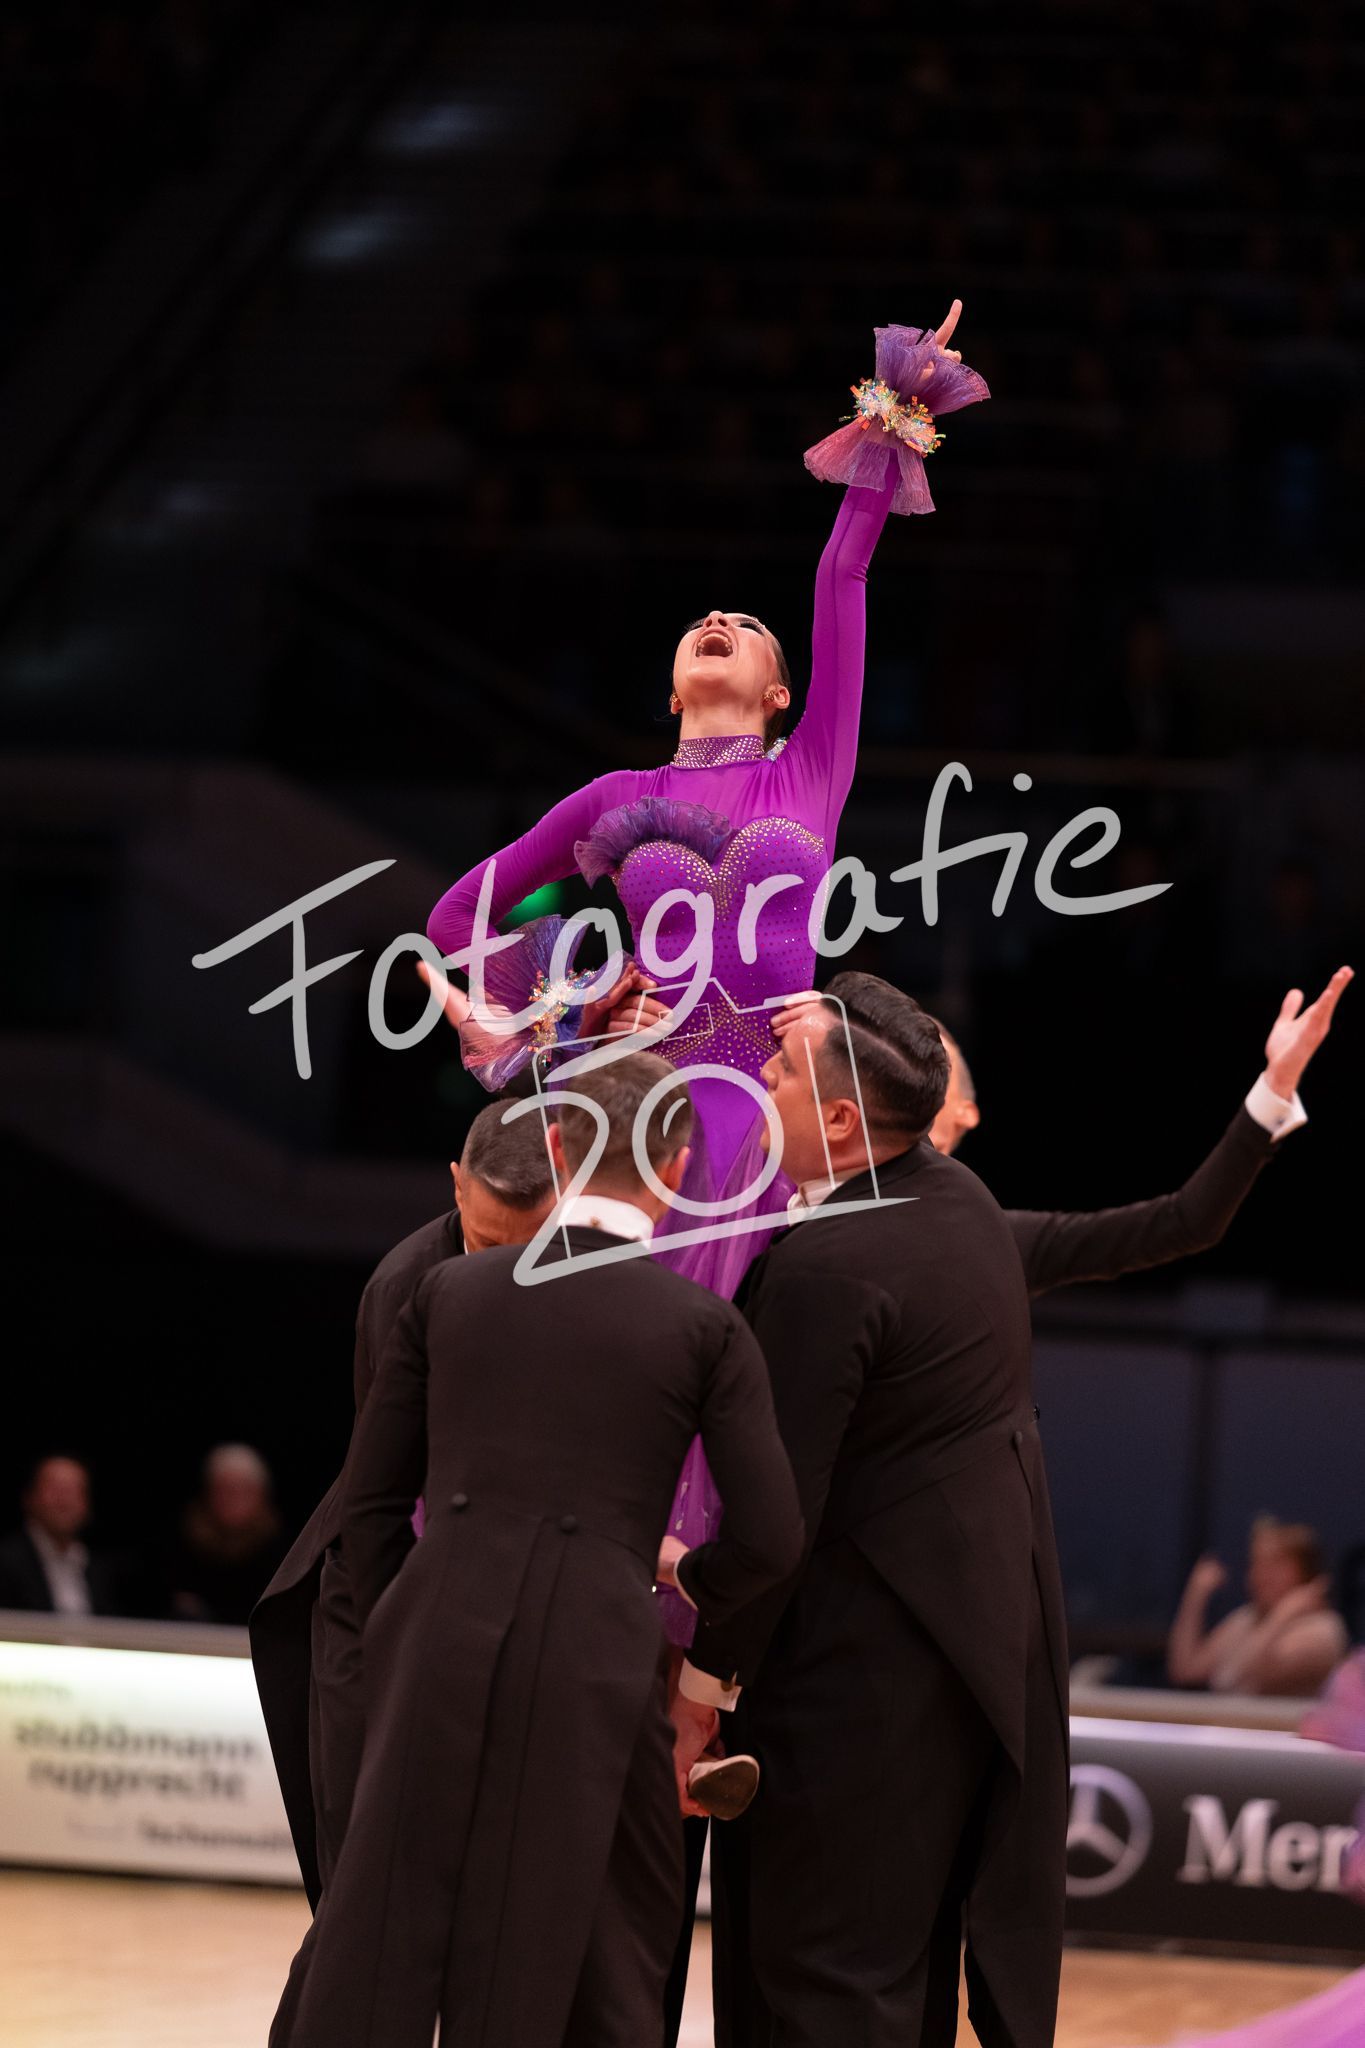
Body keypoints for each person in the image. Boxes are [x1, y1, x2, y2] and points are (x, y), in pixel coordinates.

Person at [423, 304, 988, 1645]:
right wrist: (571, 999)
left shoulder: (812, 771)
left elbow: (843, 574)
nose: (723, 619)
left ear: (785, 693)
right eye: (703, 623)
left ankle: (672, 1641)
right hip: (631, 1104)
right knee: (583, 1339)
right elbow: (457, 916)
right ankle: (520, 1586)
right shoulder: (612, 795)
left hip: (752, 1115)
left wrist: (895, 414)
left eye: (746, 626)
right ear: (674, 688)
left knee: (708, 1364)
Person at [276, 1053, 803, 2048]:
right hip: (597, 1654)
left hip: (436, 1634)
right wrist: (685, 1573)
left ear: (556, 1148)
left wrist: (402, 1626)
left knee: (377, 1930)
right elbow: (773, 1539)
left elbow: (372, 1503)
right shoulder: (704, 1328)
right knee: (597, 1952)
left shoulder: (448, 1291)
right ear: (678, 1170)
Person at [670, 972, 1067, 2048]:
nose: (762, 1076)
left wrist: (701, 1678)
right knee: (897, 1977)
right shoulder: (962, 1204)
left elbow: (776, 1521)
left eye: (783, 1069)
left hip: (855, 1685)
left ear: (842, 1120)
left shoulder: (830, 1265)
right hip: (972, 1666)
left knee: (819, 1982)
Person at [250, 1097, 558, 1920]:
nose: (502, 1267)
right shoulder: (403, 1286)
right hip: (385, 1583)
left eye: (524, 1244)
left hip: (488, 1575)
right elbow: (388, 1492)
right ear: (456, 1184)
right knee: (364, 1879)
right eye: (487, 1242)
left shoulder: (581, 1267)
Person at [929, 968, 1352, 1293]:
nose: (911, 1081)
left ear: (966, 1113)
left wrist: (1275, 1086)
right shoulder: (881, 1222)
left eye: (932, 1068)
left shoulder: (1000, 1241)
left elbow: (1188, 1221)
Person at [1168, 1516, 1349, 1697]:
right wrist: (1196, 1594)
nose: (1262, 1574)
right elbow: (1186, 1671)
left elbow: (1233, 1677)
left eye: (1275, 1564)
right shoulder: (1244, 1619)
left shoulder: (1322, 1629)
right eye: (1257, 1563)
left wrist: (1283, 1614)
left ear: (1305, 1570)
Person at [167, 1444, 289, 1625]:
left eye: (243, 1491)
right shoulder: (184, 1542)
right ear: (209, 1493)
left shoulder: (281, 1549)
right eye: (224, 1489)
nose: (233, 1499)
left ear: (261, 1495)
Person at [0, 1455, 124, 1616]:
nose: (64, 1500)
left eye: (74, 1491)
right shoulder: (6, 1562)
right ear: (30, 1497)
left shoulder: (98, 1568)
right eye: (55, 1489)